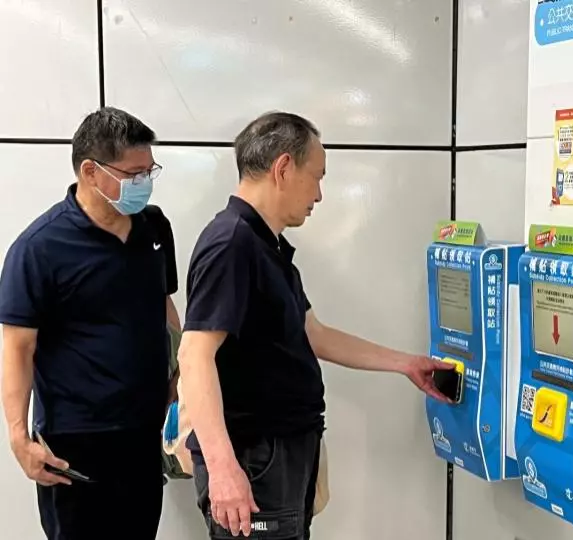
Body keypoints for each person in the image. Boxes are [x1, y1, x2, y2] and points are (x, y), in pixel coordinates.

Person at [178, 111, 453, 539]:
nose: (320, 195)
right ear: (283, 168)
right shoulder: (232, 244)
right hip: (253, 456)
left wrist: (406, 364)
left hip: (280, 451)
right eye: (317, 177)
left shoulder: (265, 245)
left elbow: (314, 335)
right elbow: (194, 356)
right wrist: (223, 469)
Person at [0, 107, 180, 539]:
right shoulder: (39, 248)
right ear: (90, 171)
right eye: (133, 174)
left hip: (144, 432)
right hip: (75, 442)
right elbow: (17, 347)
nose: (144, 182)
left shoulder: (154, 228)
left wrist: (180, 378)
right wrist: (19, 438)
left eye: (149, 171)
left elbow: (164, 306)